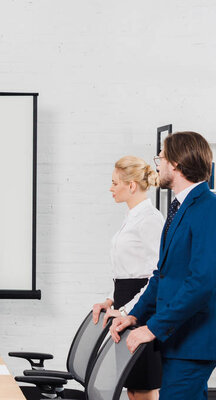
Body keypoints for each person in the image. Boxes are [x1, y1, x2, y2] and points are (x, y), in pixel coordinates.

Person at [110, 131, 216, 400]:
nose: (157, 164)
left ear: (177, 164)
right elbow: (162, 275)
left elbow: (201, 283)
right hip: (178, 341)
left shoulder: (208, 208)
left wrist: (153, 327)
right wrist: (135, 315)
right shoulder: (179, 207)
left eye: (162, 157)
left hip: (194, 343)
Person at [92, 156, 163, 400]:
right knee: (131, 386)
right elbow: (126, 270)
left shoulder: (150, 220)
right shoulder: (132, 217)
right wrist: (110, 301)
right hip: (125, 305)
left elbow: (157, 275)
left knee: (143, 386)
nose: (110, 188)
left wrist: (127, 311)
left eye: (114, 183)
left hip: (141, 309)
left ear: (131, 185)